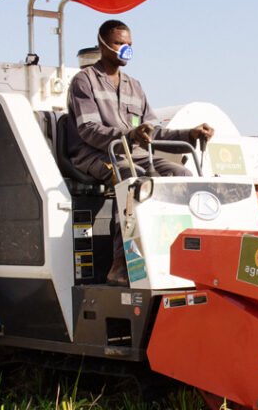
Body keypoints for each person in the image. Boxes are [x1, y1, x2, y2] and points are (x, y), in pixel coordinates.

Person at [67, 20, 214, 285]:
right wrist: (127, 135)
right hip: (96, 155)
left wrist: (188, 134)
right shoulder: (84, 81)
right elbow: (88, 129)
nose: (126, 50)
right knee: (133, 181)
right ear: (102, 43)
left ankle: (173, 254)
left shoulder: (135, 86)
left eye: (129, 45)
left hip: (134, 154)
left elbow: (152, 131)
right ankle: (121, 264)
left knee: (181, 174)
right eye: (119, 44)